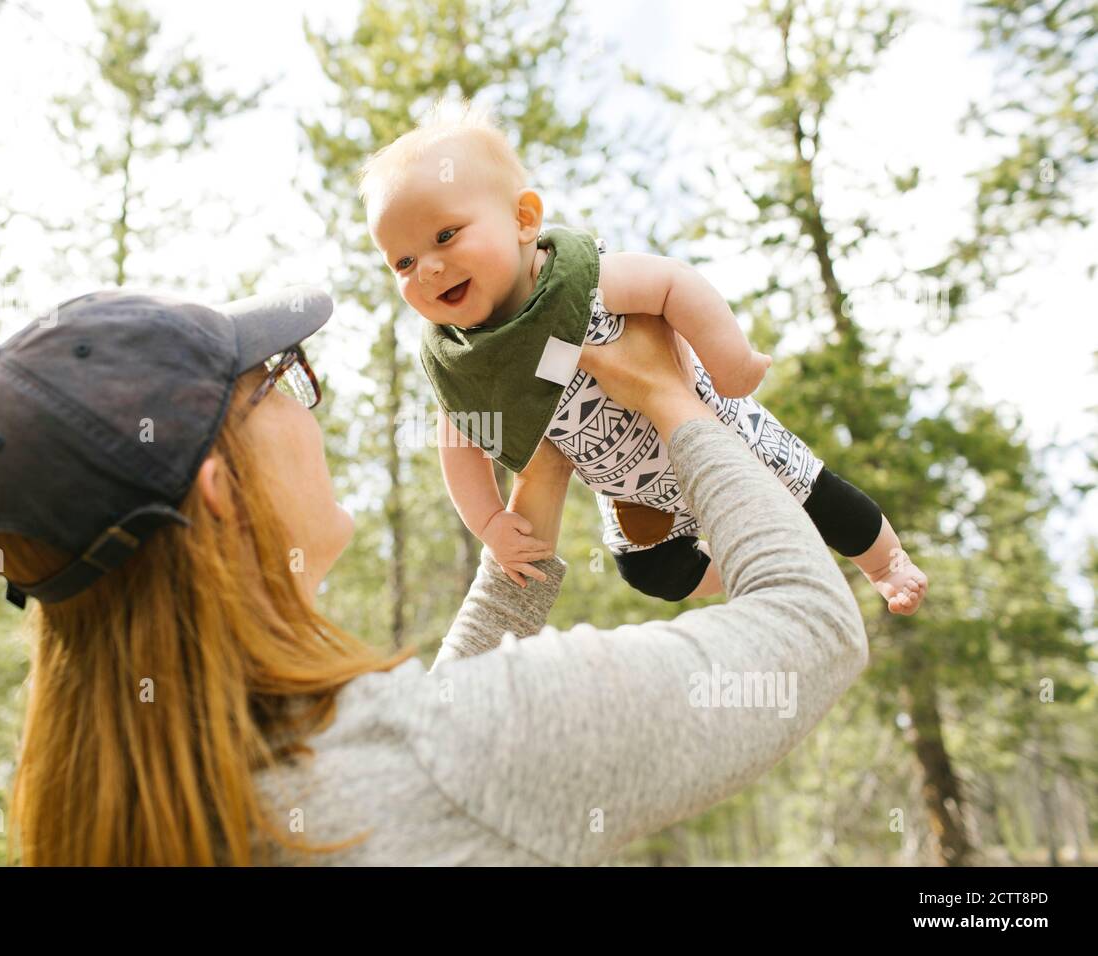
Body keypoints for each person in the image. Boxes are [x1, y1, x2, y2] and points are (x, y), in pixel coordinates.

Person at [0, 283, 868, 866]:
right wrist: (674, 403)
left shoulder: (138, 815)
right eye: (282, 380)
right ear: (219, 489)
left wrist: (548, 459)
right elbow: (809, 630)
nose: (311, 404)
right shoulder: (437, 756)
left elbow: (428, 745)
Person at [360, 97, 928, 615]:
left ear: (523, 220)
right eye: (403, 263)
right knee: (653, 573)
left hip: (719, 437)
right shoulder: (462, 360)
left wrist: (729, 361)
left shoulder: (578, 280)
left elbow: (672, 283)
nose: (427, 269)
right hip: (633, 491)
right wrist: (489, 521)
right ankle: (749, 566)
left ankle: (886, 562)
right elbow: (459, 440)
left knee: (821, 500)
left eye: (445, 236)